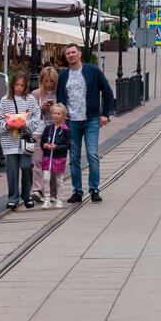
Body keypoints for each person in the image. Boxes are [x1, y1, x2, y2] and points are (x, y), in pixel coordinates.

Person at [56, 43, 115, 204]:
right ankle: (77, 191)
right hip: (72, 122)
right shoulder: (63, 75)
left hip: (91, 120)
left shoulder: (92, 71)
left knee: (92, 154)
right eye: (68, 53)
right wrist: (61, 118)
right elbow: (60, 98)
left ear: (79, 54)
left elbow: (108, 92)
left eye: (73, 52)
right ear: (66, 56)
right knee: (74, 157)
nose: (71, 55)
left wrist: (105, 114)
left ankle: (94, 189)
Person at [0, 71, 40, 210]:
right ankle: (13, 198)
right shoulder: (5, 100)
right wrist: (8, 124)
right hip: (9, 141)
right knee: (12, 170)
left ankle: (27, 195)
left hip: (25, 140)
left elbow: (36, 117)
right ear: (12, 84)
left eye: (22, 85)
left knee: (27, 167)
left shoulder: (30, 100)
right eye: (17, 85)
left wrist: (26, 123)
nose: (19, 88)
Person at [29, 67, 59, 204]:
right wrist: (42, 108)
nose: (48, 84)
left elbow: (64, 111)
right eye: (46, 81)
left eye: (51, 81)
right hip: (39, 130)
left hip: (54, 130)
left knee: (52, 162)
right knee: (38, 160)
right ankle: (37, 189)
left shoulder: (59, 93)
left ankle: (53, 192)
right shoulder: (36, 94)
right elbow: (30, 112)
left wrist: (54, 110)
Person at [38, 102, 71, 208]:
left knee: (59, 179)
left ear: (63, 115)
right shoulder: (48, 128)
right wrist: (45, 145)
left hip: (59, 158)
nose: (56, 115)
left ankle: (59, 199)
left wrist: (56, 147)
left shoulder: (65, 130)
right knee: (46, 178)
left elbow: (68, 145)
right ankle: (47, 199)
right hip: (48, 157)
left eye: (59, 114)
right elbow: (42, 142)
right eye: (54, 113)